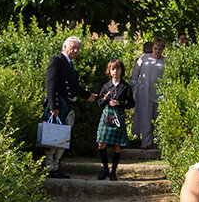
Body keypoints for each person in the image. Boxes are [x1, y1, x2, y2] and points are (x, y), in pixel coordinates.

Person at [43, 36, 96, 179]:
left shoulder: (69, 64)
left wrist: (87, 95)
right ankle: (49, 167)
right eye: (73, 47)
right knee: (54, 135)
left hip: (67, 104)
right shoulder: (57, 61)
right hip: (58, 104)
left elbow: (73, 85)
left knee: (63, 136)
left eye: (77, 48)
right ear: (64, 47)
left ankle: (56, 165)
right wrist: (54, 106)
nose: (75, 50)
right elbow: (51, 85)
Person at [95, 59, 136, 180]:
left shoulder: (125, 87)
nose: (115, 71)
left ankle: (113, 172)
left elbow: (131, 103)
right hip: (106, 115)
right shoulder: (106, 86)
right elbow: (99, 103)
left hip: (119, 116)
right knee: (101, 143)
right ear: (109, 71)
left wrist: (119, 103)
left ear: (121, 71)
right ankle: (105, 169)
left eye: (118, 69)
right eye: (113, 69)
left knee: (117, 146)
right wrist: (105, 99)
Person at [132, 38, 166, 149]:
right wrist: (134, 88)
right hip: (144, 93)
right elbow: (134, 75)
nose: (157, 51)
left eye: (160, 49)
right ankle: (146, 142)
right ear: (152, 48)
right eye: (155, 48)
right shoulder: (144, 59)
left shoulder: (165, 62)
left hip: (159, 94)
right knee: (145, 117)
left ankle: (158, 142)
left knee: (157, 118)